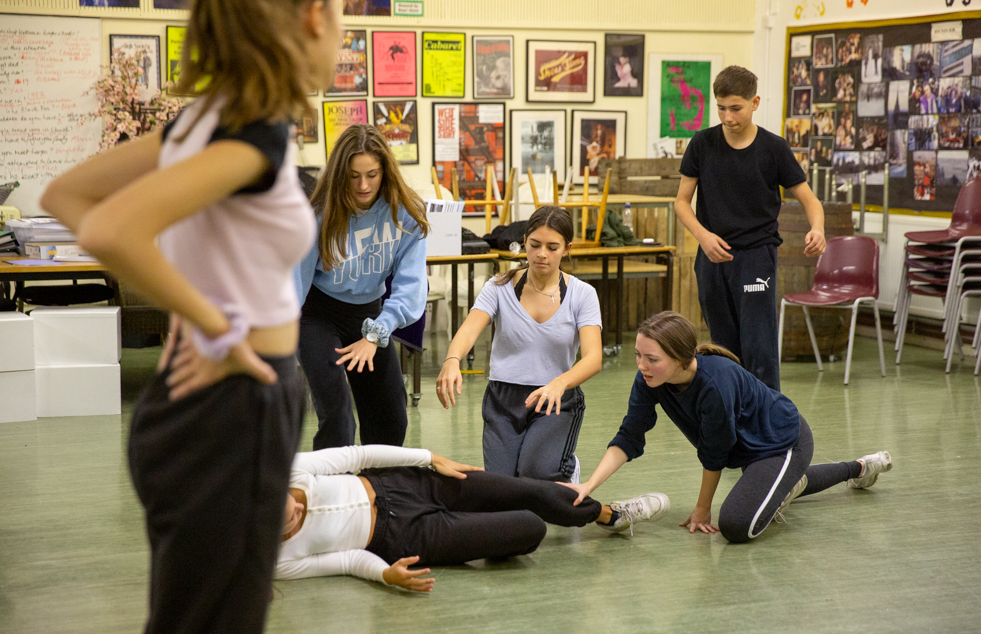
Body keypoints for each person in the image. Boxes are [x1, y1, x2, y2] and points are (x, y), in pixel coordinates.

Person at [40, 0, 341, 634]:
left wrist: (201, 316)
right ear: (313, 16)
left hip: (190, 413)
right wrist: (217, 325)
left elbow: (62, 196)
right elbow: (107, 228)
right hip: (231, 411)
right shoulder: (250, 136)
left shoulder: (198, 125)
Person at [562, 312, 894, 544]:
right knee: (764, 493)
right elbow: (630, 435)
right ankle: (820, 475)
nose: (641, 365)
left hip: (783, 441)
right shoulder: (650, 379)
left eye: (652, 358)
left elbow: (714, 454)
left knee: (736, 527)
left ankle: (850, 469)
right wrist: (588, 485)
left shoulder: (714, 386)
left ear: (681, 358)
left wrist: (703, 508)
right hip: (747, 450)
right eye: (638, 355)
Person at [275, 445, 670, 590]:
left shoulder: (286, 470)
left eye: (285, 505)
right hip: (404, 537)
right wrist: (384, 574)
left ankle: (609, 515)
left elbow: (358, 457)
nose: (295, 513)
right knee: (529, 528)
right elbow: (344, 561)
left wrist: (429, 459)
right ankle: (483, 531)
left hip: (407, 484)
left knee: (529, 490)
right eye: (286, 525)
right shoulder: (278, 562)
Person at [675, 66, 825, 391]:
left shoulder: (774, 149)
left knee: (759, 349)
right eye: (721, 108)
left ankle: (770, 429)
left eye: (736, 108)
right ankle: (732, 422)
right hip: (712, 259)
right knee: (723, 349)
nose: (728, 117)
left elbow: (810, 200)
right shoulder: (702, 144)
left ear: (754, 102)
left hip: (756, 259)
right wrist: (703, 236)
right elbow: (681, 203)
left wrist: (818, 228)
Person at [436, 206, 603, 483]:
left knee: (535, 473)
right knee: (503, 485)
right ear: (524, 241)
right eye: (535, 245)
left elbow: (593, 358)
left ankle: (564, 465)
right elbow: (469, 329)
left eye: (552, 247)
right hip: (503, 401)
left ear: (567, 248)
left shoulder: (582, 295)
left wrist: (560, 383)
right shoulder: (499, 287)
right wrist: (452, 360)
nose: (541, 254)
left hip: (554, 400)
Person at [295, 124, 429, 450]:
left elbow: (411, 285)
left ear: (385, 170)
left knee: (391, 415)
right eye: (354, 176)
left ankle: (378, 492)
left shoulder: (405, 214)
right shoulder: (319, 213)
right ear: (341, 173)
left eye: (372, 174)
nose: (363, 185)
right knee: (339, 415)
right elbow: (294, 282)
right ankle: (332, 494)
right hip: (317, 313)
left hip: (370, 313)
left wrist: (375, 333)